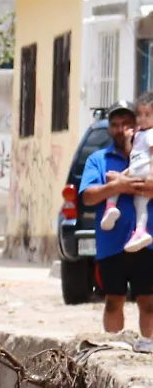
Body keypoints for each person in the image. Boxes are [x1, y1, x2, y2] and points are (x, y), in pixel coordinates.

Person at [80, 102, 153, 350]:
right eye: (115, 125)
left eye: (126, 124)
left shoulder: (150, 156)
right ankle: (113, 348)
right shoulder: (98, 159)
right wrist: (116, 187)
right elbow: (88, 196)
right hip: (112, 244)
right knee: (113, 300)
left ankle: (148, 346)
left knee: (149, 300)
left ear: (137, 124)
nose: (121, 129)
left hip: (148, 241)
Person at [98, 93, 153, 251]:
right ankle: (141, 231)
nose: (142, 119)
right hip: (137, 165)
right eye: (140, 115)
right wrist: (130, 140)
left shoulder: (150, 134)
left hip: (142, 168)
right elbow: (132, 155)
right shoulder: (139, 135)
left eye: (147, 115)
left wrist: (150, 175)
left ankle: (111, 207)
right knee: (140, 203)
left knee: (116, 181)